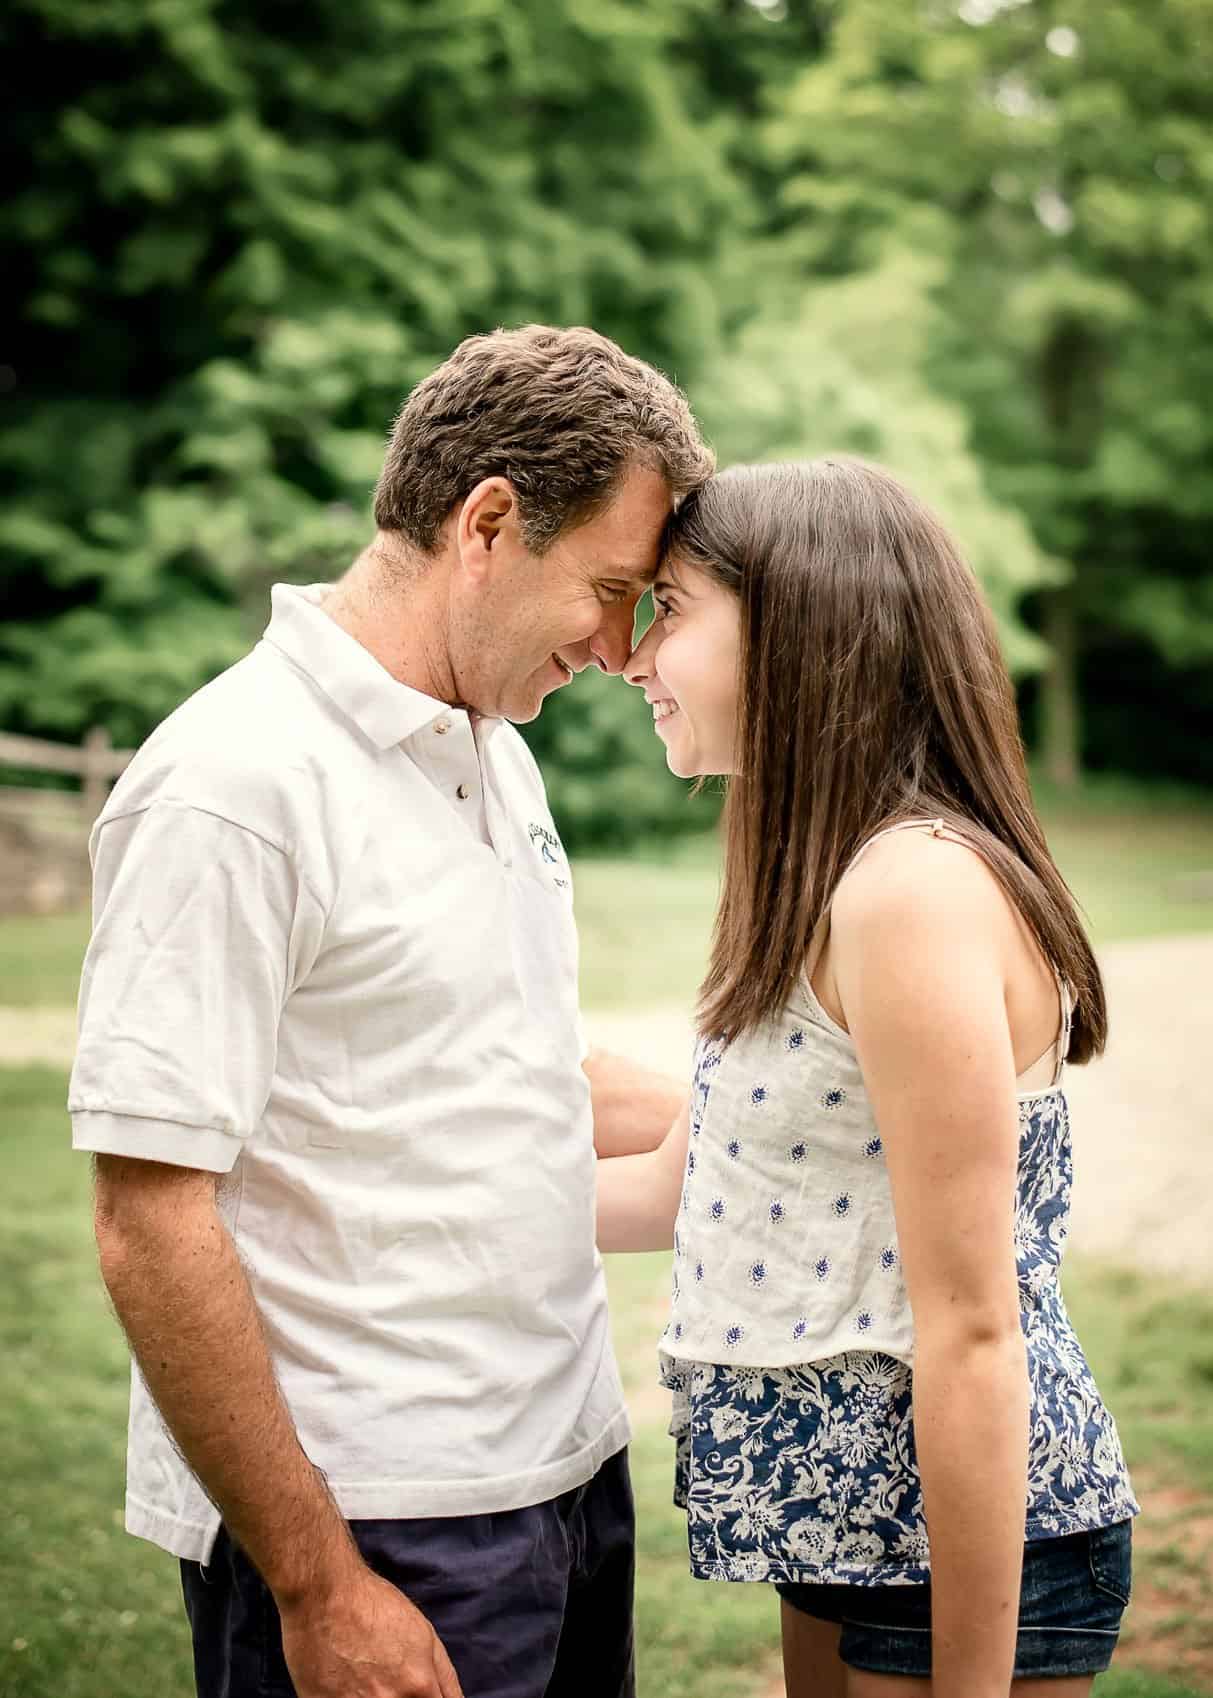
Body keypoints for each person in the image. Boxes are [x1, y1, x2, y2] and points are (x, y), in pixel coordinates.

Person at [69, 324, 714, 1698]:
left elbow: (512, 1068)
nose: (618, 649)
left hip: (566, 1474)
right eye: (607, 589)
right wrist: (318, 1583)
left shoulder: (492, 748)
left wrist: (813, 1123)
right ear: (487, 521)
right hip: (379, 1515)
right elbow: (148, 1215)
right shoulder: (235, 784)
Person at [598, 459, 1139, 1696]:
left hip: (952, 1553)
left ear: (799, 631)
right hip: (849, 1527)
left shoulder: (909, 891)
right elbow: (678, 1193)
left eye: (669, 608)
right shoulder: (824, 885)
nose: (632, 658)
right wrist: (373, 1191)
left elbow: (970, 1327)